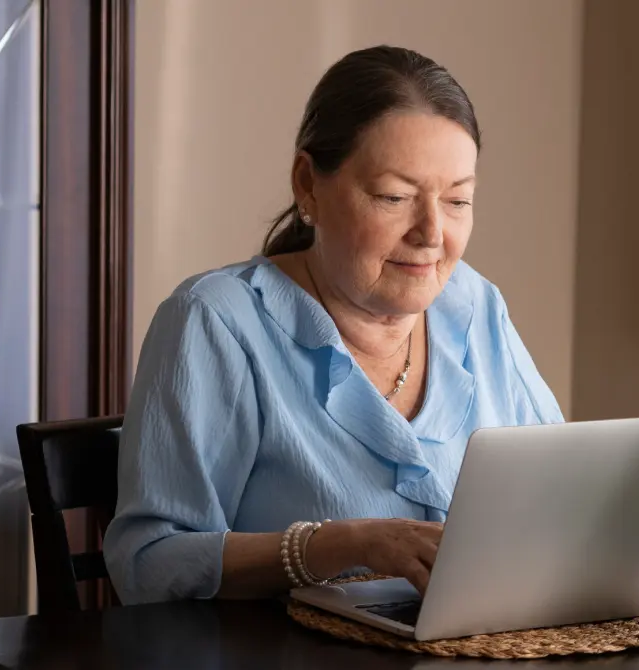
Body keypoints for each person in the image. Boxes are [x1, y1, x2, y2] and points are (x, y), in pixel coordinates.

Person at [104, 44, 563, 605]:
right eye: (394, 197)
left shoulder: (475, 305)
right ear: (308, 185)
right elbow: (148, 566)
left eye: (459, 201)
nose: (432, 234)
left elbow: (563, 496)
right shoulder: (215, 321)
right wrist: (344, 543)